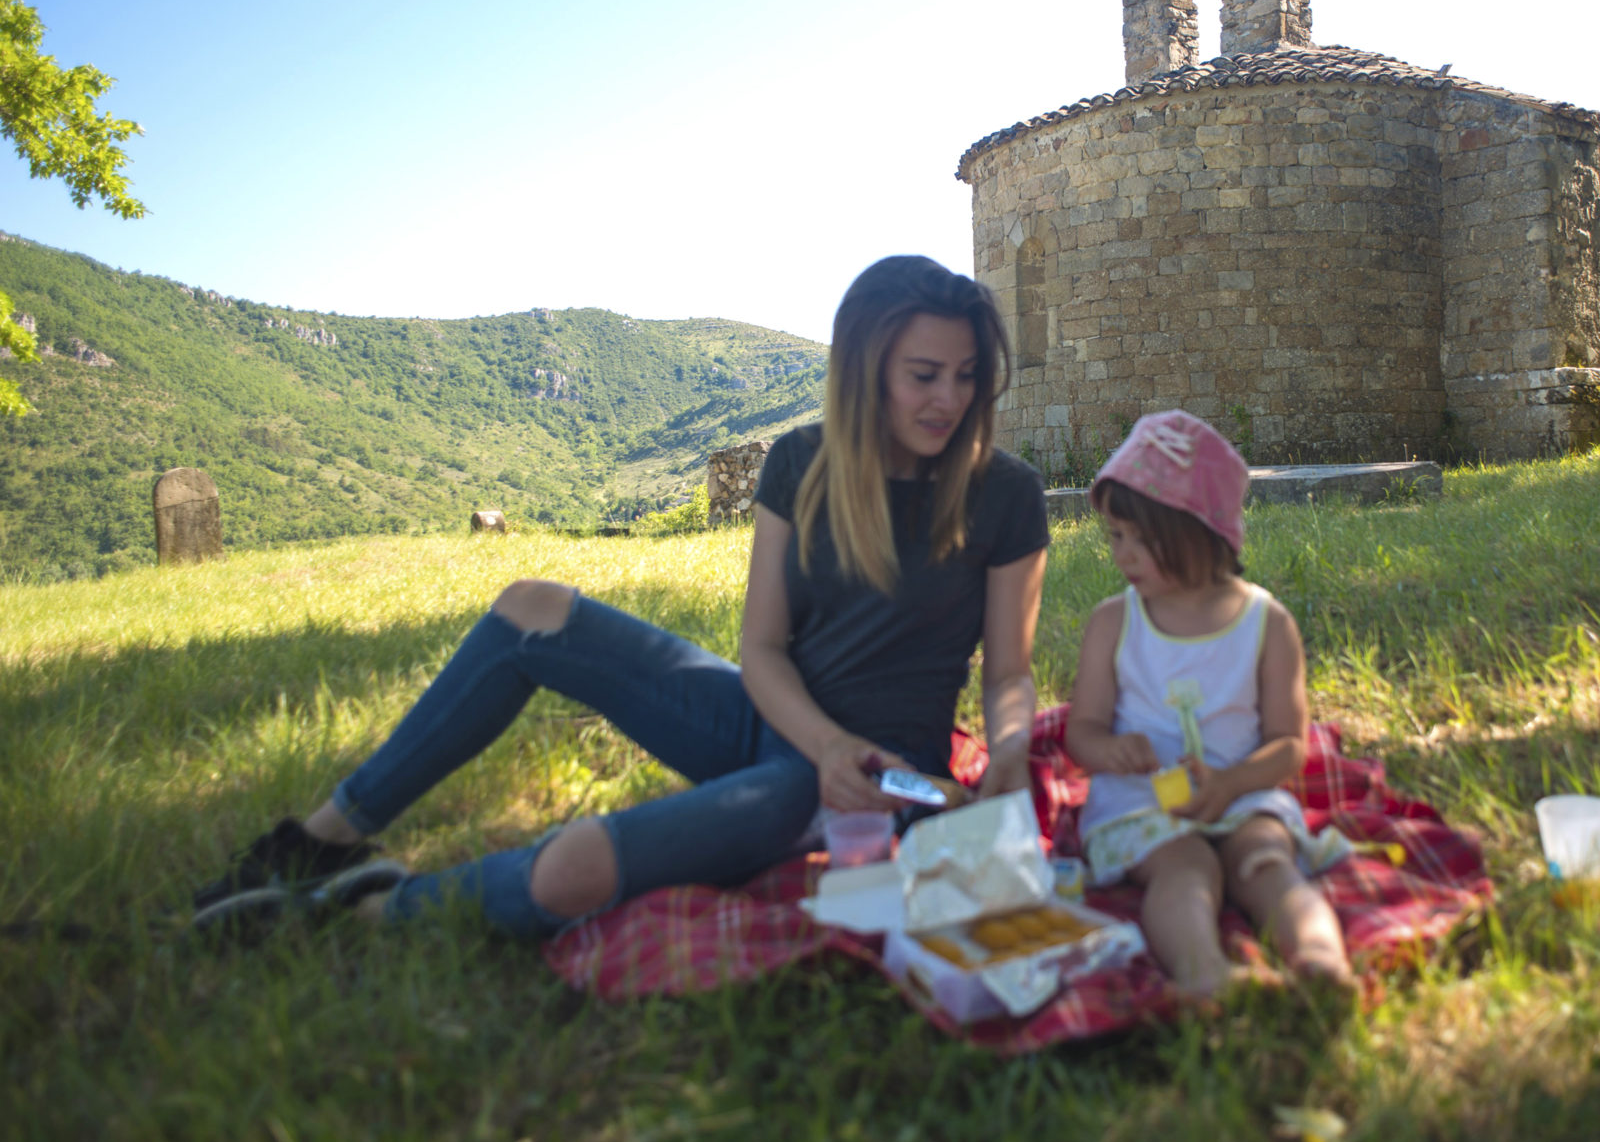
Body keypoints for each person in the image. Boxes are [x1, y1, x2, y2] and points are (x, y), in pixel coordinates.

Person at [192, 255, 1050, 938]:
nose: (950, 399)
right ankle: (320, 841)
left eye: (967, 375)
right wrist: (817, 736)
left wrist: (1009, 747)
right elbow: (761, 648)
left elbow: (1009, 672)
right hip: (774, 720)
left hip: (866, 780)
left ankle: (356, 911)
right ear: (866, 371)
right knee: (532, 607)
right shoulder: (801, 463)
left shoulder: (1002, 492)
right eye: (924, 375)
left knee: (573, 868)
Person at [1063, 410, 1353, 998]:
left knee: (1267, 861)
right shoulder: (1114, 623)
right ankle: (1204, 976)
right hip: (1146, 805)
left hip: (1242, 791)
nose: (1125, 555)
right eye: (1116, 536)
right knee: (1184, 868)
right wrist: (1112, 748)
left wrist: (1232, 783)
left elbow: (1289, 743)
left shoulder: (1265, 623)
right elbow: (1081, 734)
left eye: (1144, 540)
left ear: (1202, 533)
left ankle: (1323, 965)